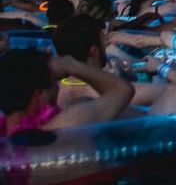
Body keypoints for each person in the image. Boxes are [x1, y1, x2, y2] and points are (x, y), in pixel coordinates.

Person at [0, 48, 134, 136]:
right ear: (39, 94)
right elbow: (123, 89)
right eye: (55, 81)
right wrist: (70, 65)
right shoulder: (64, 126)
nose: (58, 87)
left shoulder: (6, 137)